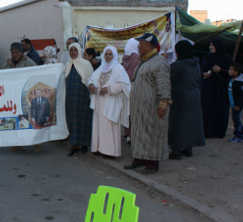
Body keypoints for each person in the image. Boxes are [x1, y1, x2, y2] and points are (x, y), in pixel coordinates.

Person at [124, 33, 171, 175]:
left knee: (152, 134)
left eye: (141, 44)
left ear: (149, 45)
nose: (138, 46)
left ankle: (152, 164)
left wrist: (163, 105)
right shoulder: (144, 61)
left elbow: (164, 86)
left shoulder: (159, 63)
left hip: (152, 108)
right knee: (138, 134)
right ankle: (138, 159)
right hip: (139, 109)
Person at [87, 46, 131, 158]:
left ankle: (110, 152)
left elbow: (124, 84)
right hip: (98, 103)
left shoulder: (118, 69)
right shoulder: (101, 68)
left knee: (109, 126)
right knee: (98, 125)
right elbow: (91, 79)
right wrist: (91, 86)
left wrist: (108, 89)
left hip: (111, 102)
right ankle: (98, 148)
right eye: (106, 54)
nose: (108, 56)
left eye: (110, 54)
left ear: (115, 55)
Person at [168, 41, 205, 159]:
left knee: (177, 123)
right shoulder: (196, 63)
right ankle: (188, 148)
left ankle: (176, 151)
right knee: (190, 123)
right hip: (194, 95)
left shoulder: (179, 65)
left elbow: (164, 74)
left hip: (180, 96)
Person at [200, 38, 233, 138]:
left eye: (213, 45)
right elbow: (200, 69)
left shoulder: (226, 57)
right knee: (207, 109)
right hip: (207, 88)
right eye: (210, 45)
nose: (211, 47)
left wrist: (221, 70)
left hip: (220, 89)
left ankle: (218, 131)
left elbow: (231, 72)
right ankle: (206, 131)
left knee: (219, 110)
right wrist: (203, 74)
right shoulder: (207, 57)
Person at [65, 43, 94, 156]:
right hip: (70, 99)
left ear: (79, 51)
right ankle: (74, 145)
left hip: (83, 97)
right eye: (71, 50)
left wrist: (91, 97)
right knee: (72, 121)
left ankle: (84, 145)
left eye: (75, 50)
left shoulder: (86, 64)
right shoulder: (67, 65)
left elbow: (91, 80)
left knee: (84, 120)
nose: (73, 52)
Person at [227, 62, 243, 143]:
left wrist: (238, 105)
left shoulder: (240, 83)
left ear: (236, 72)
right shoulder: (232, 80)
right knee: (236, 119)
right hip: (233, 104)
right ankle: (242, 133)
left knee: (236, 119)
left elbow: (241, 95)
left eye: (230, 69)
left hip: (237, 105)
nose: (229, 71)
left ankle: (237, 136)